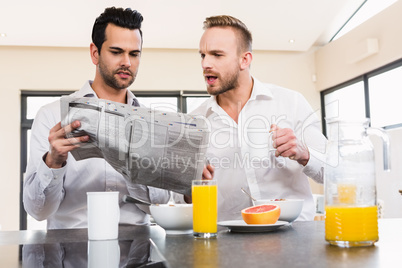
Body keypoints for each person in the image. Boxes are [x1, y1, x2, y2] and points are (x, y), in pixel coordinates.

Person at [23, 7, 174, 229]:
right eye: (116, 52)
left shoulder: (152, 123)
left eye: (134, 54)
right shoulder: (52, 115)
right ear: (95, 53)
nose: (127, 62)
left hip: (137, 254)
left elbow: (159, 204)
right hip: (71, 253)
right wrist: (53, 162)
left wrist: (133, 165)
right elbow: (38, 211)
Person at [193, 15, 327, 221]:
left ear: (244, 60)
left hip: (294, 238)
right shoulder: (195, 121)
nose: (205, 64)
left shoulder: (291, 103)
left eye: (216, 55)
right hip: (227, 242)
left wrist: (304, 154)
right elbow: (182, 197)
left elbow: (334, 174)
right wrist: (190, 183)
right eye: (202, 55)